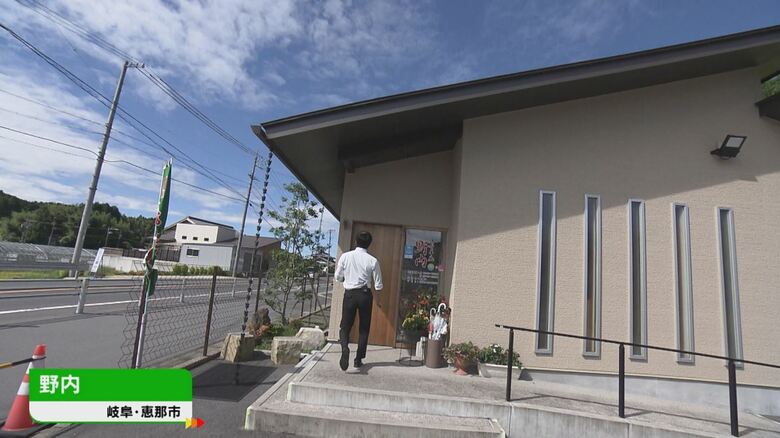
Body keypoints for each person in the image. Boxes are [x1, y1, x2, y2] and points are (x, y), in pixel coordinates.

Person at [335, 231, 383, 371]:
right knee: (363, 328)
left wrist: (346, 279)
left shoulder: (345, 256)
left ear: (356, 241)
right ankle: (358, 359)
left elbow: (338, 277)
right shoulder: (373, 260)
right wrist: (379, 300)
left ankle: (345, 348)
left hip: (350, 294)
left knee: (345, 326)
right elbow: (378, 285)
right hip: (365, 294)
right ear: (369, 244)